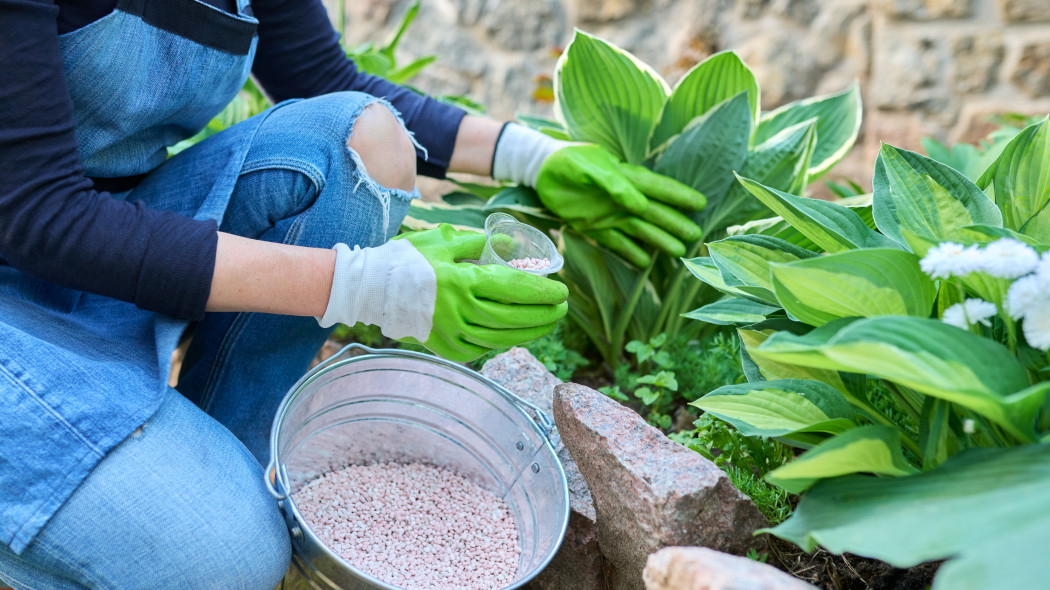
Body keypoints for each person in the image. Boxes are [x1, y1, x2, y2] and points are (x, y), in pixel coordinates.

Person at [0, 0, 706, 587]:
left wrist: (533, 156)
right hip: (30, 258)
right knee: (231, 560)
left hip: (100, 247)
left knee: (359, 140)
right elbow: (39, 214)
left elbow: (322, 76)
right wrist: (370, 286)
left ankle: (218, 459)